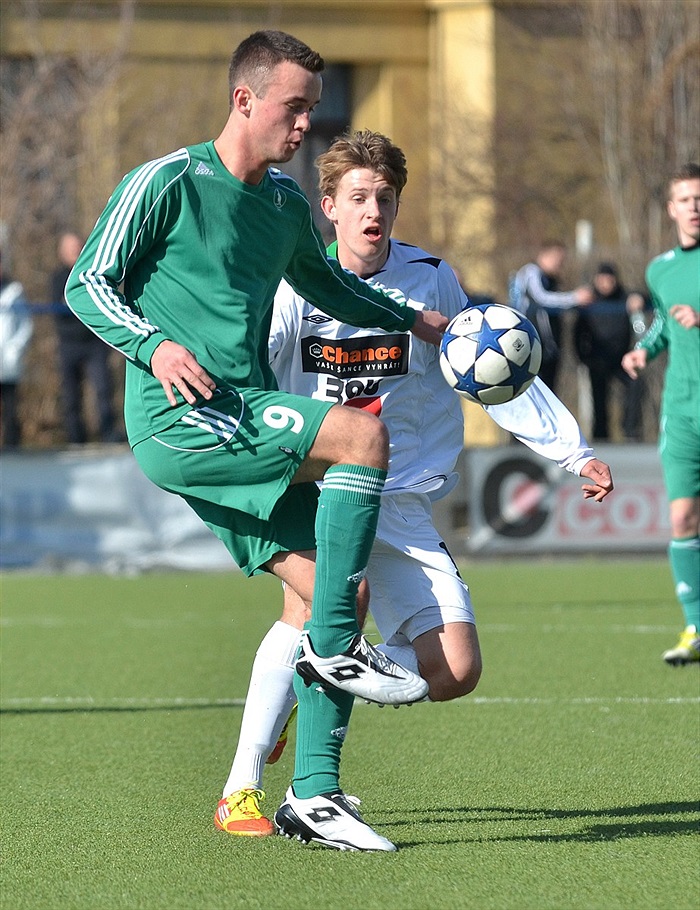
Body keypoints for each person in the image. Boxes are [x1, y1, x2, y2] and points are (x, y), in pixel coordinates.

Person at [65, 30, 449, 854]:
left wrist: (412, 316)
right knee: (359, 438)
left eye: (314, 107)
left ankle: (312, 796)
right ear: (245, 100)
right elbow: (85, 282)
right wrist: (155, 346)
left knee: (334, 593)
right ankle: (343, 655)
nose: (308, 122)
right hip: (184, 417)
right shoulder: (168, 181)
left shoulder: (280, 206)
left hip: (240, 415)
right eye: (295, 106)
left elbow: (329, 283)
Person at [217, 130, 614, 844]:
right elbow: (255, 375)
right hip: (316, 485)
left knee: (456, 668)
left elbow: (487, 371)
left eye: (386, 198)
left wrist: (571, 451)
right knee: (312, 611)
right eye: (358, 198)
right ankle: (243, 788)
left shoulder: (430, 281)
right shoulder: (293, 282)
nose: (374, 211)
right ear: (329, 206)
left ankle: (317, 685)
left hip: (397, 499)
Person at [622, 163, 700, 666]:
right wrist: (643, 352)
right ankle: (695, 626)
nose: (694, 207)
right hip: (682, 409)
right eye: (686, 200)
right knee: (682, 517)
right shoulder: (660, 269)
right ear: (671, 209)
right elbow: (665, 327)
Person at [50, 231, 121, 444]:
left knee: (103, 389)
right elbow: (59, 311)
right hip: (69, 345)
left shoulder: (91, 274)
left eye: (78, 247)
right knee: (71, 394)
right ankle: (75, 438)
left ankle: (108, 433)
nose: (75, 252)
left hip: (94, 342)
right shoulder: (57, 279)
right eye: (71, 249)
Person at [573, 262, 645, 441]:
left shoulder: (623, 296)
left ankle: (630, 430)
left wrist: (639, 298)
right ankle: (601, 436)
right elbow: (577, 332)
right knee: (599, 399)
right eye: (602, 279)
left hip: (622, 358)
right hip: (597, 360)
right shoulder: (589, 300)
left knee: (635, 385)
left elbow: (646, 297)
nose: (606, 284)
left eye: (609, 279)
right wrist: (583, 357)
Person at [510, 241, 593, 392]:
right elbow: (541, 298)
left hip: (548, 347)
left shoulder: (551, 279)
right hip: (529, 344)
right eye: (558, 259)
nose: (560, 265)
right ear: (544, 255)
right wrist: (575, 297)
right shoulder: (531, 272)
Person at [0, 250, 33, 449]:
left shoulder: (14, 291)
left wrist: (16, 349)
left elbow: (25, 324)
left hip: (7, 360)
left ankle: (13, 446)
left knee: (10, 406)